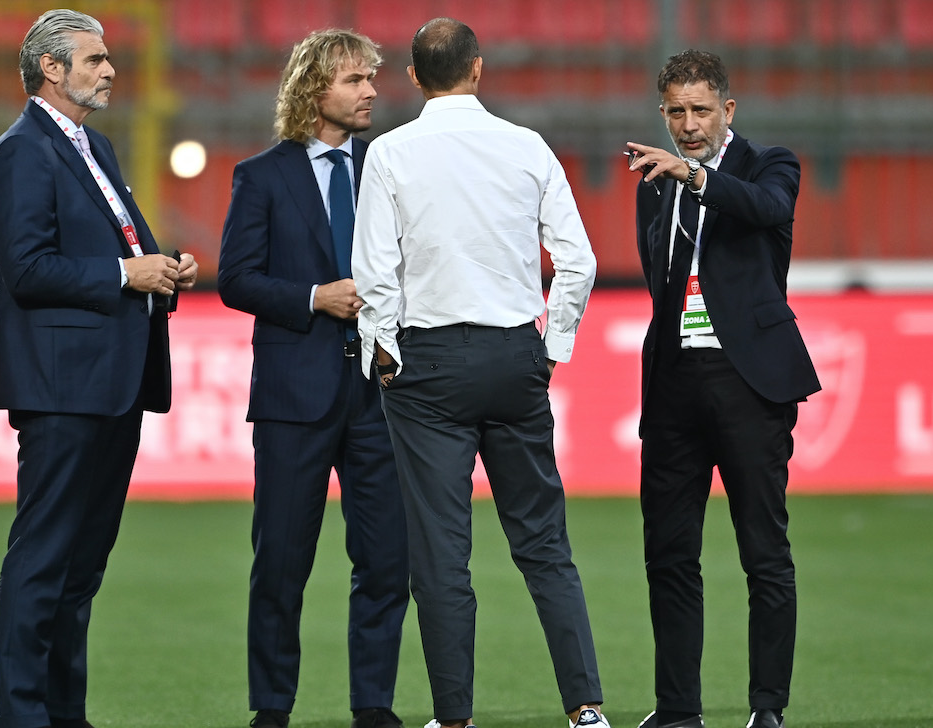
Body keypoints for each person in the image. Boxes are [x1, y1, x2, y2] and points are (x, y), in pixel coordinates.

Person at [352, 18, 607, 728]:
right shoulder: (527, 147)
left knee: (440, 553)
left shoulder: (390, 153)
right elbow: (578, 260)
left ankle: (455, 718)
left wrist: (384, 351)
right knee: (544, 544)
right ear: (477, 68)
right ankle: (586, 708)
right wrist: (552, 346)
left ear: (413, 77)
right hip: (514, 355)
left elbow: (375, 270)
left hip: (427, 367)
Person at [0, 9, 198, 728]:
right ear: (51, 68)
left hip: (110, 381)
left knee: (81, 567)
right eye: (95, 59)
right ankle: (21, 716)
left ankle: (63, 714)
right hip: (62, 384)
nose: (110, 70)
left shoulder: (92, 146)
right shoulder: (22, 152)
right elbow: (27, 270)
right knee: (44, 558)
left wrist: (163, 268)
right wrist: (125, 273)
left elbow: (118, 247)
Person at [217, 29, 410, 728]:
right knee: (280, 563)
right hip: (293, 397)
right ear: (313, 88)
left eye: (371, 78)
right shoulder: (261, 175)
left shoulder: (387, 168)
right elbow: (236, 278)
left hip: (379, 394)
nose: (371, 91)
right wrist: (312, 298)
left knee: (387, 562)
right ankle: (272, 709)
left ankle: (373, 707)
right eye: (355, 79)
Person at [624, 50, 821, 728]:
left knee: (763, 551)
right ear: (662, 112)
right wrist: (678, 176)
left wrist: (696, 177)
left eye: (701, 110)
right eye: (676, 111)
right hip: (673, 383)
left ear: (727, 109)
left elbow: (768, 208)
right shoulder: (654, 183)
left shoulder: (771, 164)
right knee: (669, 553)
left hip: (749, 383)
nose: (688, 125)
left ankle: (767, 708)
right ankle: (678, 709)